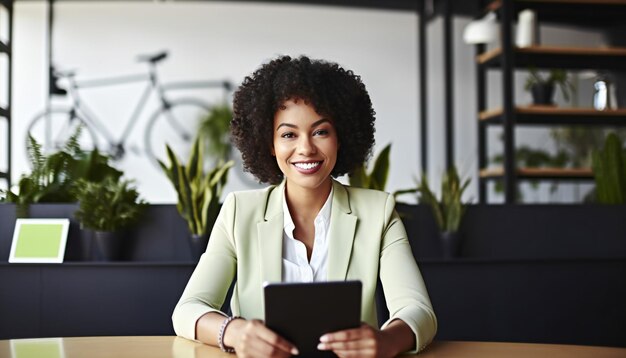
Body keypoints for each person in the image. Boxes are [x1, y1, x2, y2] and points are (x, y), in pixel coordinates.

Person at [172, 55, 437, 357]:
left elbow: (418, 310)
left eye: (321, 131)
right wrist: (233, 332)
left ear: (341, 138)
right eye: (288, 135)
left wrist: (387, 340)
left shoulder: (378, 212)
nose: (306, 148)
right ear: (269, 144)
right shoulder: (238, 212)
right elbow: (187, 309)